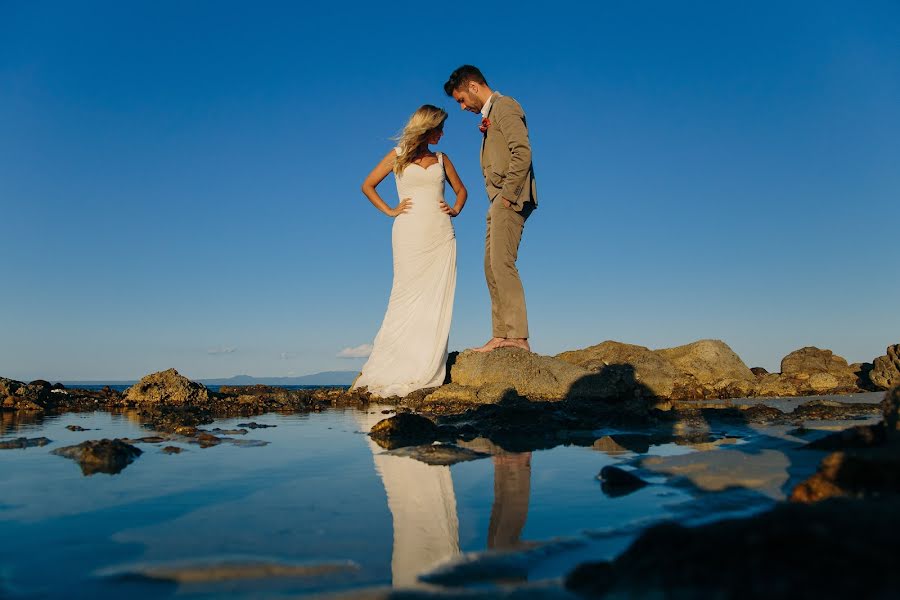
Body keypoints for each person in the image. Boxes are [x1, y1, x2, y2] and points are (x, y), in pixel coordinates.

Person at [351, 105, 467, 398]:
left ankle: (427, 364)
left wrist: (455, 209)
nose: (443, 133)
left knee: (435, 301)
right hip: (408, 233)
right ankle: (395, 364)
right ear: (427, 128)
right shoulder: (398, 155)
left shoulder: (443, 158)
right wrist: (390, 210)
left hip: (441, 233)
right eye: (439, 128)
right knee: (404, 296)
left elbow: (462, 190)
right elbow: (367, 185)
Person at [444, 65, 538, 353]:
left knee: (502, 264)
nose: (461, 107)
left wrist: (508, 196)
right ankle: (501, 334)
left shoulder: (505, 106)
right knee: (491, 266)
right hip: (497, 200)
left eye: (461, 99)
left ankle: (518, 337)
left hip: (509, 197)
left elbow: (522, 151)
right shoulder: (491, 113)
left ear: (473, 86)